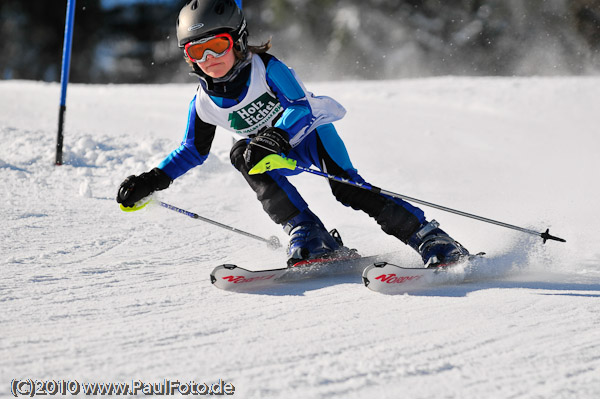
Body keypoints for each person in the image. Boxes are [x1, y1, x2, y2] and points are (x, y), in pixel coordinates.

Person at [117, 0, 469, 267]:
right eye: (197, 51)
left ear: (238, 41)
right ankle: (308, 232)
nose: (209, 58)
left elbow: (300, 107)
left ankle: (429, 237)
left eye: (218, 46)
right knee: (242, 154)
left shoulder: (266, 69)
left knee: (349, 190)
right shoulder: (203, 104)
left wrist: (277, 135)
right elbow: (192, 150)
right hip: (270, 154)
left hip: (311, 139)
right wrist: (152, 180)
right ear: (188, 58)